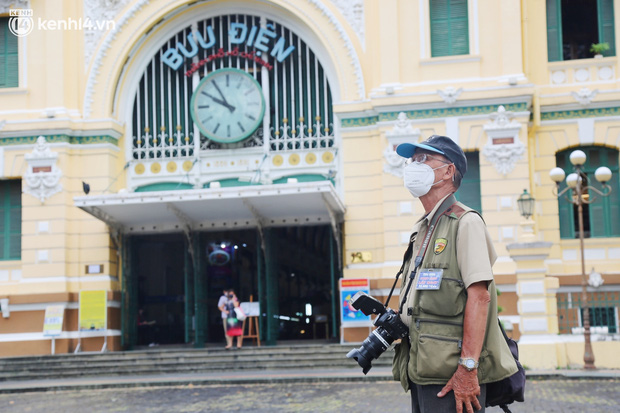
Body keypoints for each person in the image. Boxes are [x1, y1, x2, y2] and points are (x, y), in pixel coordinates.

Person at [391, 135, 518, 413]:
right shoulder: (423, 228)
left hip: (453, 374)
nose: (414, 165)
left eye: (423, 159)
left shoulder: (465, 222)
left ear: (448, 171)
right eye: (413, 160)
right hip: (422, 369)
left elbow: (480, 297)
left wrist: (468, 369)